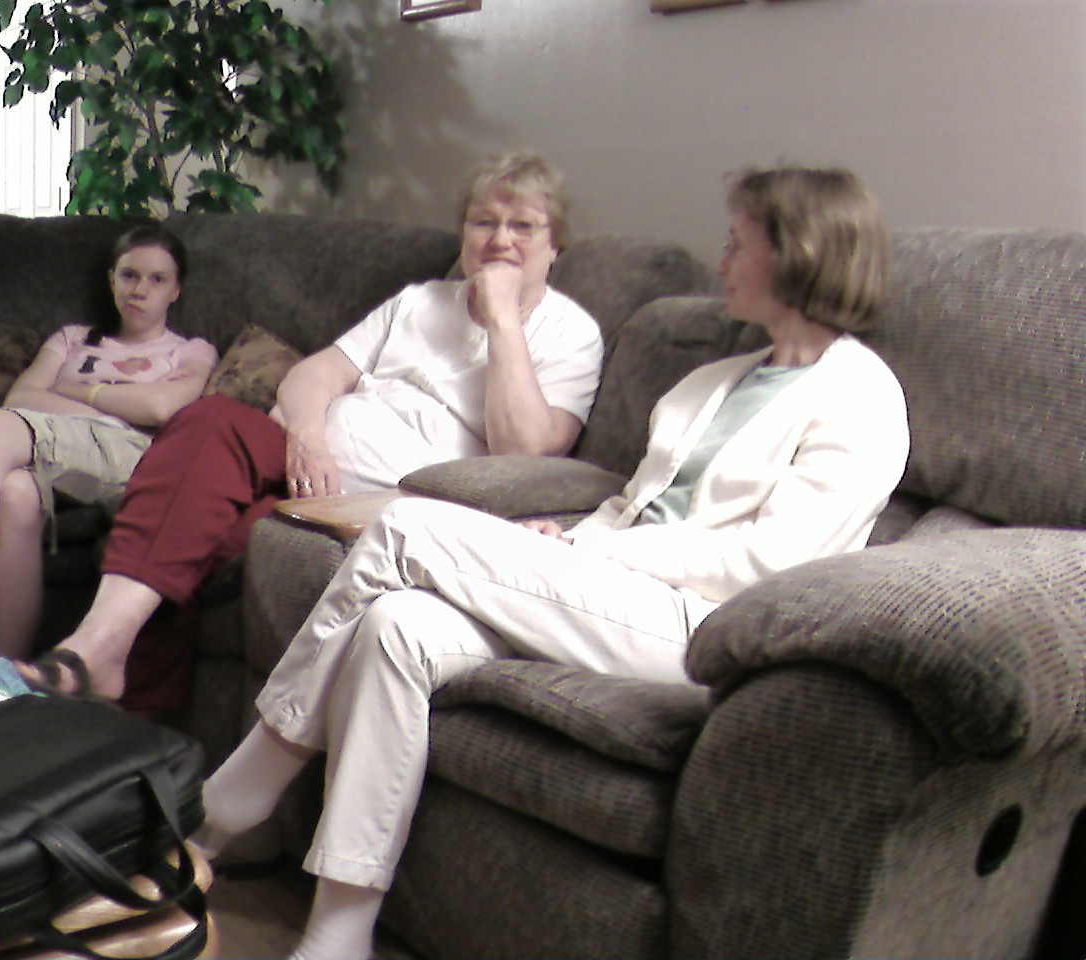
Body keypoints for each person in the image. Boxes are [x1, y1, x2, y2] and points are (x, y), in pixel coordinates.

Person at [188, 165, 911, 960]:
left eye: (739, 243)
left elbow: (770, 563)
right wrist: (565, 536)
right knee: (397, 626)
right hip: (616, 590)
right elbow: (637, 503)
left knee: (404, 530)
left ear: (797, 254)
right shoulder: (717, 380)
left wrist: (596, 547)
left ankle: (236, 795)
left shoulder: (860, 395)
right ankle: (340, 932)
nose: (722, 258)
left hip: (707, 627)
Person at [25, 151, 605, 702]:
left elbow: (522, 450)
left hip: (378, 503)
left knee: (206, 537)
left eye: (523, 226)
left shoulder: (571, 334)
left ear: (555, 245)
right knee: (209, 419)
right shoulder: (420, 302)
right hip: (304, 459)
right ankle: (94, 648)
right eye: (484, 222)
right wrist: (307, 437)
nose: (500, 239)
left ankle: (117, 698)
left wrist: (503, 319)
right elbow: (312, 375)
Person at [0, 224, 218, 662]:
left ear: (175, 291)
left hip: (129, 455)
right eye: (129, 275)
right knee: (14, 493)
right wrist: (116, 405)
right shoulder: (73, 338)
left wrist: (75, 391)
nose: (139, 290)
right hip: (55, 449)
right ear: (112, 279)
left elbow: (161, 407)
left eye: (157, 279)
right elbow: (21, 397)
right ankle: (9, 677)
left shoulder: (190, 351)